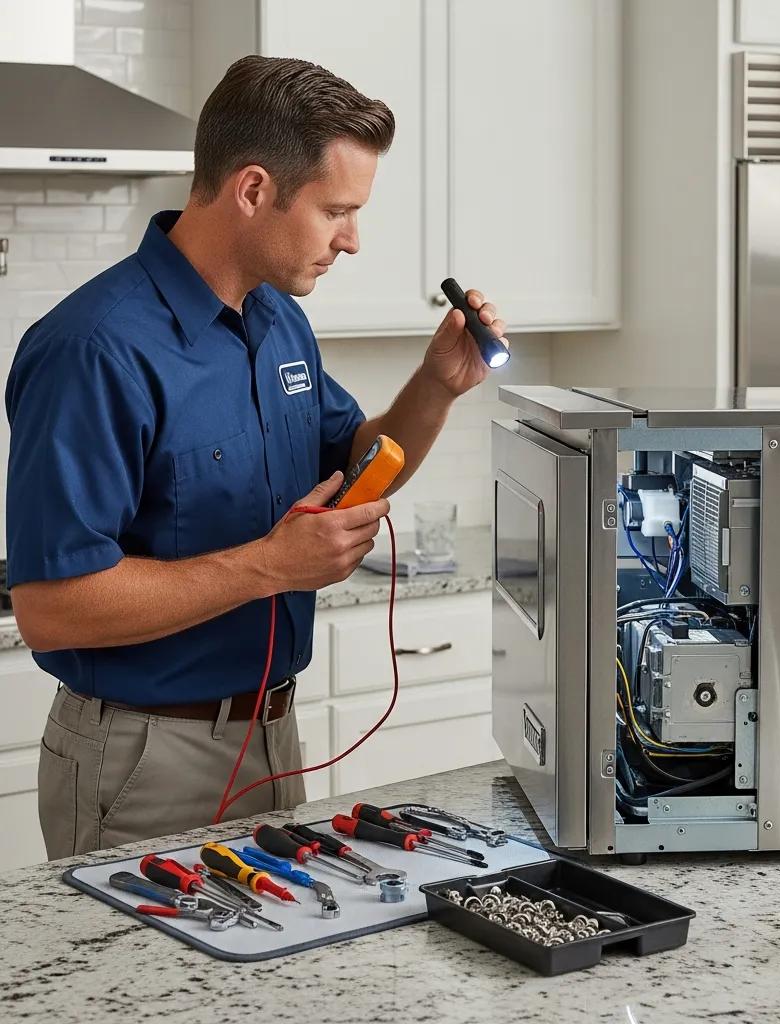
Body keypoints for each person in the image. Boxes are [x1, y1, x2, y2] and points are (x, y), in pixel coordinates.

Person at [5, 55, 508, 859]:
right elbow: (49, 607)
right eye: (336, 211)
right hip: (143, 759)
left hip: (275, 735)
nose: (352, 240)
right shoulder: (93, 349)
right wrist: (270, 566)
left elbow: (355, 461)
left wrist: (438, 385)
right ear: (252, 190)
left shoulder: (277, 318)